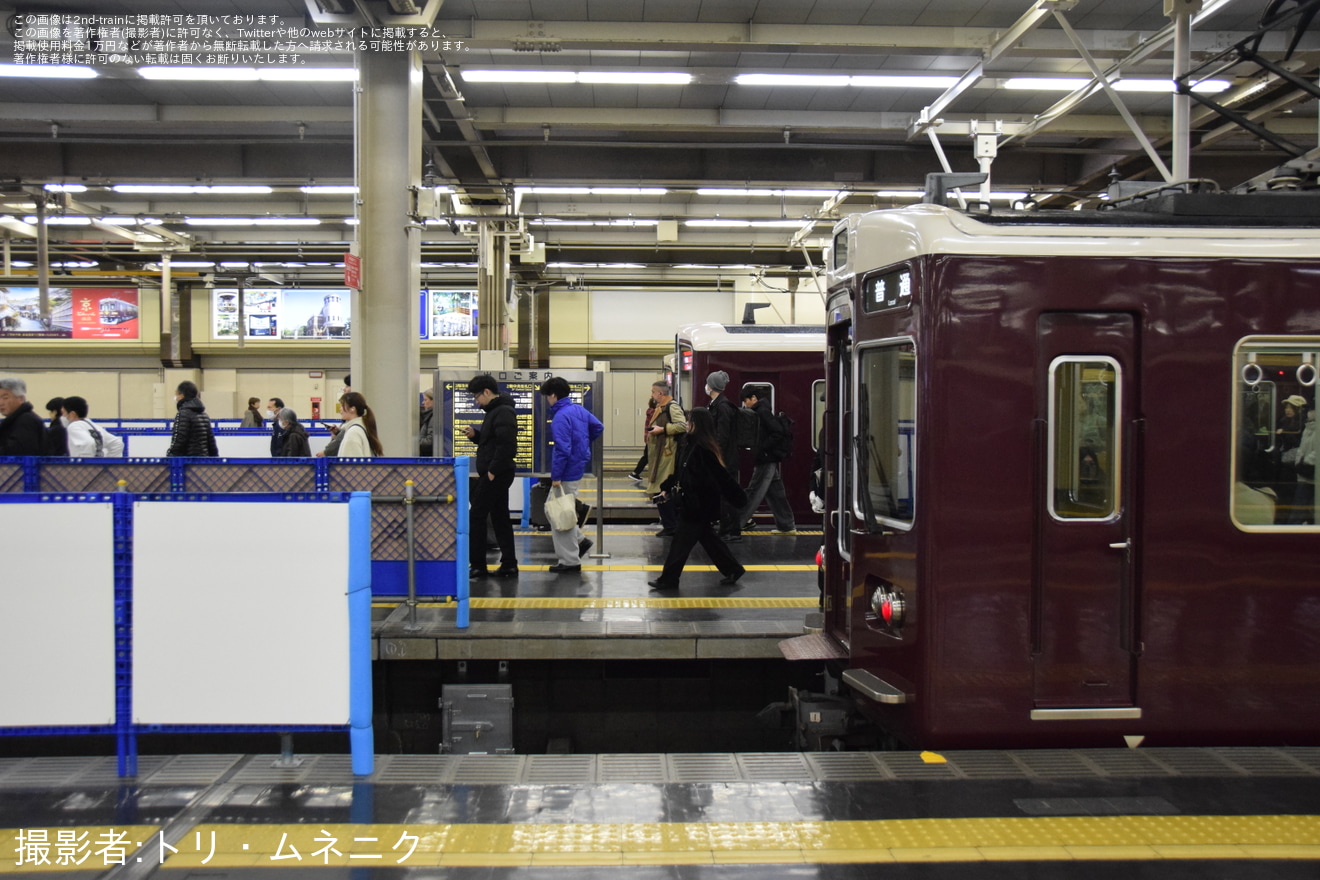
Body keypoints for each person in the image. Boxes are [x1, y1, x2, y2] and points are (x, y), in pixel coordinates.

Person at [647, 407, 748, 591]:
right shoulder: (687, 445)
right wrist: (666, 489)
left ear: (698, 424)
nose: (686, 424)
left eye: (689, 421)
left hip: (699, 504)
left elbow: (721, 476)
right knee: (709, 540)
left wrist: (739, 498)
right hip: (692, 502)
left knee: (680, 543)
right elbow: (679, 472)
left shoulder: (703, 449)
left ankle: (669, 579)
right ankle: (733, 569)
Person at [539, 376, 604, 573]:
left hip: (566, 471)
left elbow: (562, 449)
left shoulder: (561, 416)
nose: (547, 400)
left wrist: (556, 476)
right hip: (577, 466)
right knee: (555, 510)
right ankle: (580, 541)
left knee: (560, 513)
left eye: (547, 396)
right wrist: (582, 445)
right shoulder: (578, 410)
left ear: (553, 395)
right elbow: (598, 427)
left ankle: (569, 561)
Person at [463, 375, 519, 578]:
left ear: (486, 392)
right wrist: (476, 436)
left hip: (496, 474)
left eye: (477, 396)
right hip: (497, 473)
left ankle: (478, 565)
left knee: (476, 516)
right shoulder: (496, 411)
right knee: (500, 517)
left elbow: (507, 445)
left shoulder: (502, 412)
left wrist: (492, 471)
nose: (476, 401)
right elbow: (493, 442)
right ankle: (509, 564)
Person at [730, 384, 797, 537]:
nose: (745, 404)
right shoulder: (762, 410)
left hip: (766, 457)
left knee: (754, 490)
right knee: (776, 493)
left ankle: (736, 524)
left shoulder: (762, 412)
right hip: (768, 457)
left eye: (746, 401)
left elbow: (777, 432)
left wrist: (762, 448)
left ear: (753, 398)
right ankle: (787, 525)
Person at [643, 380, 687, 537]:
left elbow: (683, 425)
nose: (652, 394)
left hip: (667, 454)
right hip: (660, 454)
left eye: (653, 392)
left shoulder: (671, 407)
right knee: (659, 488)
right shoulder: (661, 407)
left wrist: (663, 429)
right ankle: (670, 524)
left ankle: (671, 525)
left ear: (660, 393)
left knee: (662, 488)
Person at [704, 371, 741, 537]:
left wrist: (715, 456)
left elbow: (722, 436)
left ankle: (731, 531)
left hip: (725, 459)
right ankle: (726, 528)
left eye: (707, 383)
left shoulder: (723, 407)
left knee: (727, 495)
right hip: (722, 458)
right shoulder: (716, 405)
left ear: (712, 386)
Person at [166, 380, 218, 457]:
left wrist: (170, 455)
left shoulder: (183, 414)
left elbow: (179, 439)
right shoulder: (204, 415)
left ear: (182, 395)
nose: (176, 398)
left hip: (188, 460)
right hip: (203, 460)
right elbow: (211, 442)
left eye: (177, 394)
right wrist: (215, 459)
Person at [0, 378, 48, 456]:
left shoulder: (26, 420)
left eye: (5, 398)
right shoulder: (15, 420)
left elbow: (19, 452)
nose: (1, 403)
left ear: (21, 399)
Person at [333, 391, 382, 457]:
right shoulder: (362, 427)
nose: (340, 409)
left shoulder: (353, 432)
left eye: (342, 405)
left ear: (352, 409)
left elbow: (351, 462)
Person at [319, 376, 352, 457]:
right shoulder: (347, 424)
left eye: (347, 386)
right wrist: (337, 432)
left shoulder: (352, 426)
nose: (344, 389)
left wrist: (326, 452)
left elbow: (339, 441)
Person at [627, 396, 656, 484]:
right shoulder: (654, 413)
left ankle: (635, 473)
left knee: (646, 456)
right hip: (652, 438)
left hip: (648, 437)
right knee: (647, 457)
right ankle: (636, 472)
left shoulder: (649, 412)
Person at [418, 388, 436, 457]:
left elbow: (430, 442)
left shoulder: (433, 417)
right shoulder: (430, 416)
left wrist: (416, 442)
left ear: (433, 401)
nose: (423, 402)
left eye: (426, 400)